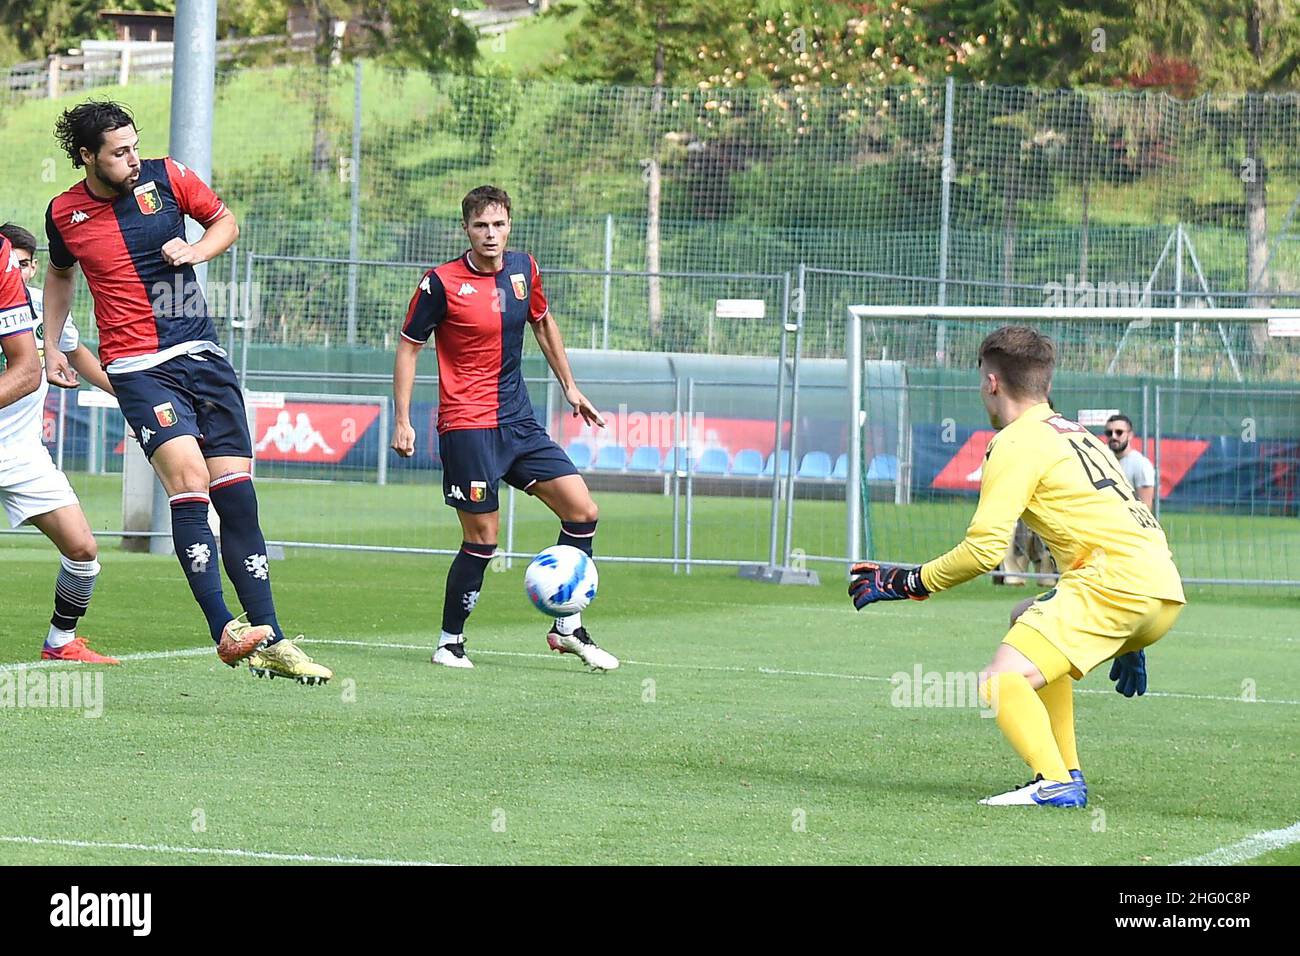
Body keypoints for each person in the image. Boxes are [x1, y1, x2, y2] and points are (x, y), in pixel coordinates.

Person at [40, 99, 331, 684]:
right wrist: (51, 346)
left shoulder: (168, 176)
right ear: (87, 157)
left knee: (237, 494)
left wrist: (196, 250)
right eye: (118, 152)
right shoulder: (64, 213)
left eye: (133, 145)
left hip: (202, 352)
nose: (131, 157)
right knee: (190, 482)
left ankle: (270, 636)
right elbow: (60, 274)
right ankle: (224, 627)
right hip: (138, 366)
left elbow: (225, 221)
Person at [848, 326, 1184, 807]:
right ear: (1044, 383)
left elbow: (985, 551)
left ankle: (1055, 783)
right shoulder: (1077, 434)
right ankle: (1066, 770)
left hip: (1113, 590)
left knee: (998, 679)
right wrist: (1128, 640)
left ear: (990, 382)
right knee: (1024, 615)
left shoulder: (1014, 442)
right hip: (1160, 589)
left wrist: (908, 582)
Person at [392, 185, 618, 671]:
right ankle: (449, 642)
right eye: (480, 226)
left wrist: (571, 387)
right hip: (467, 426)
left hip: (519, 422)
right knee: (483, 540)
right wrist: (403, 418)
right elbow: (409, 346)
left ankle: (567, 627)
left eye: (498, 225)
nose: (490, 235)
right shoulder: (440, 283)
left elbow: (542, 323)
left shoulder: (524, 269)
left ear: (509, 225)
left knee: (583, 511)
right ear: (466, 230)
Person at [0, 222, 117, 663]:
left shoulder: (41, 309)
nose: (21, 271)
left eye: (26, 264)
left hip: (23, 453)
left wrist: (129, 397)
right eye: (14, 261)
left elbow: (79, 355)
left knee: (83, 549)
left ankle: (60, 641)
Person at [1103, 413, 1156, 509]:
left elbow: (1146, 507)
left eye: (1119, 432)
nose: (1113, 436)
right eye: (1109, 433)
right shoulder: (1100, 459)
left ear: (1130, 435)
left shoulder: (1141, 465)